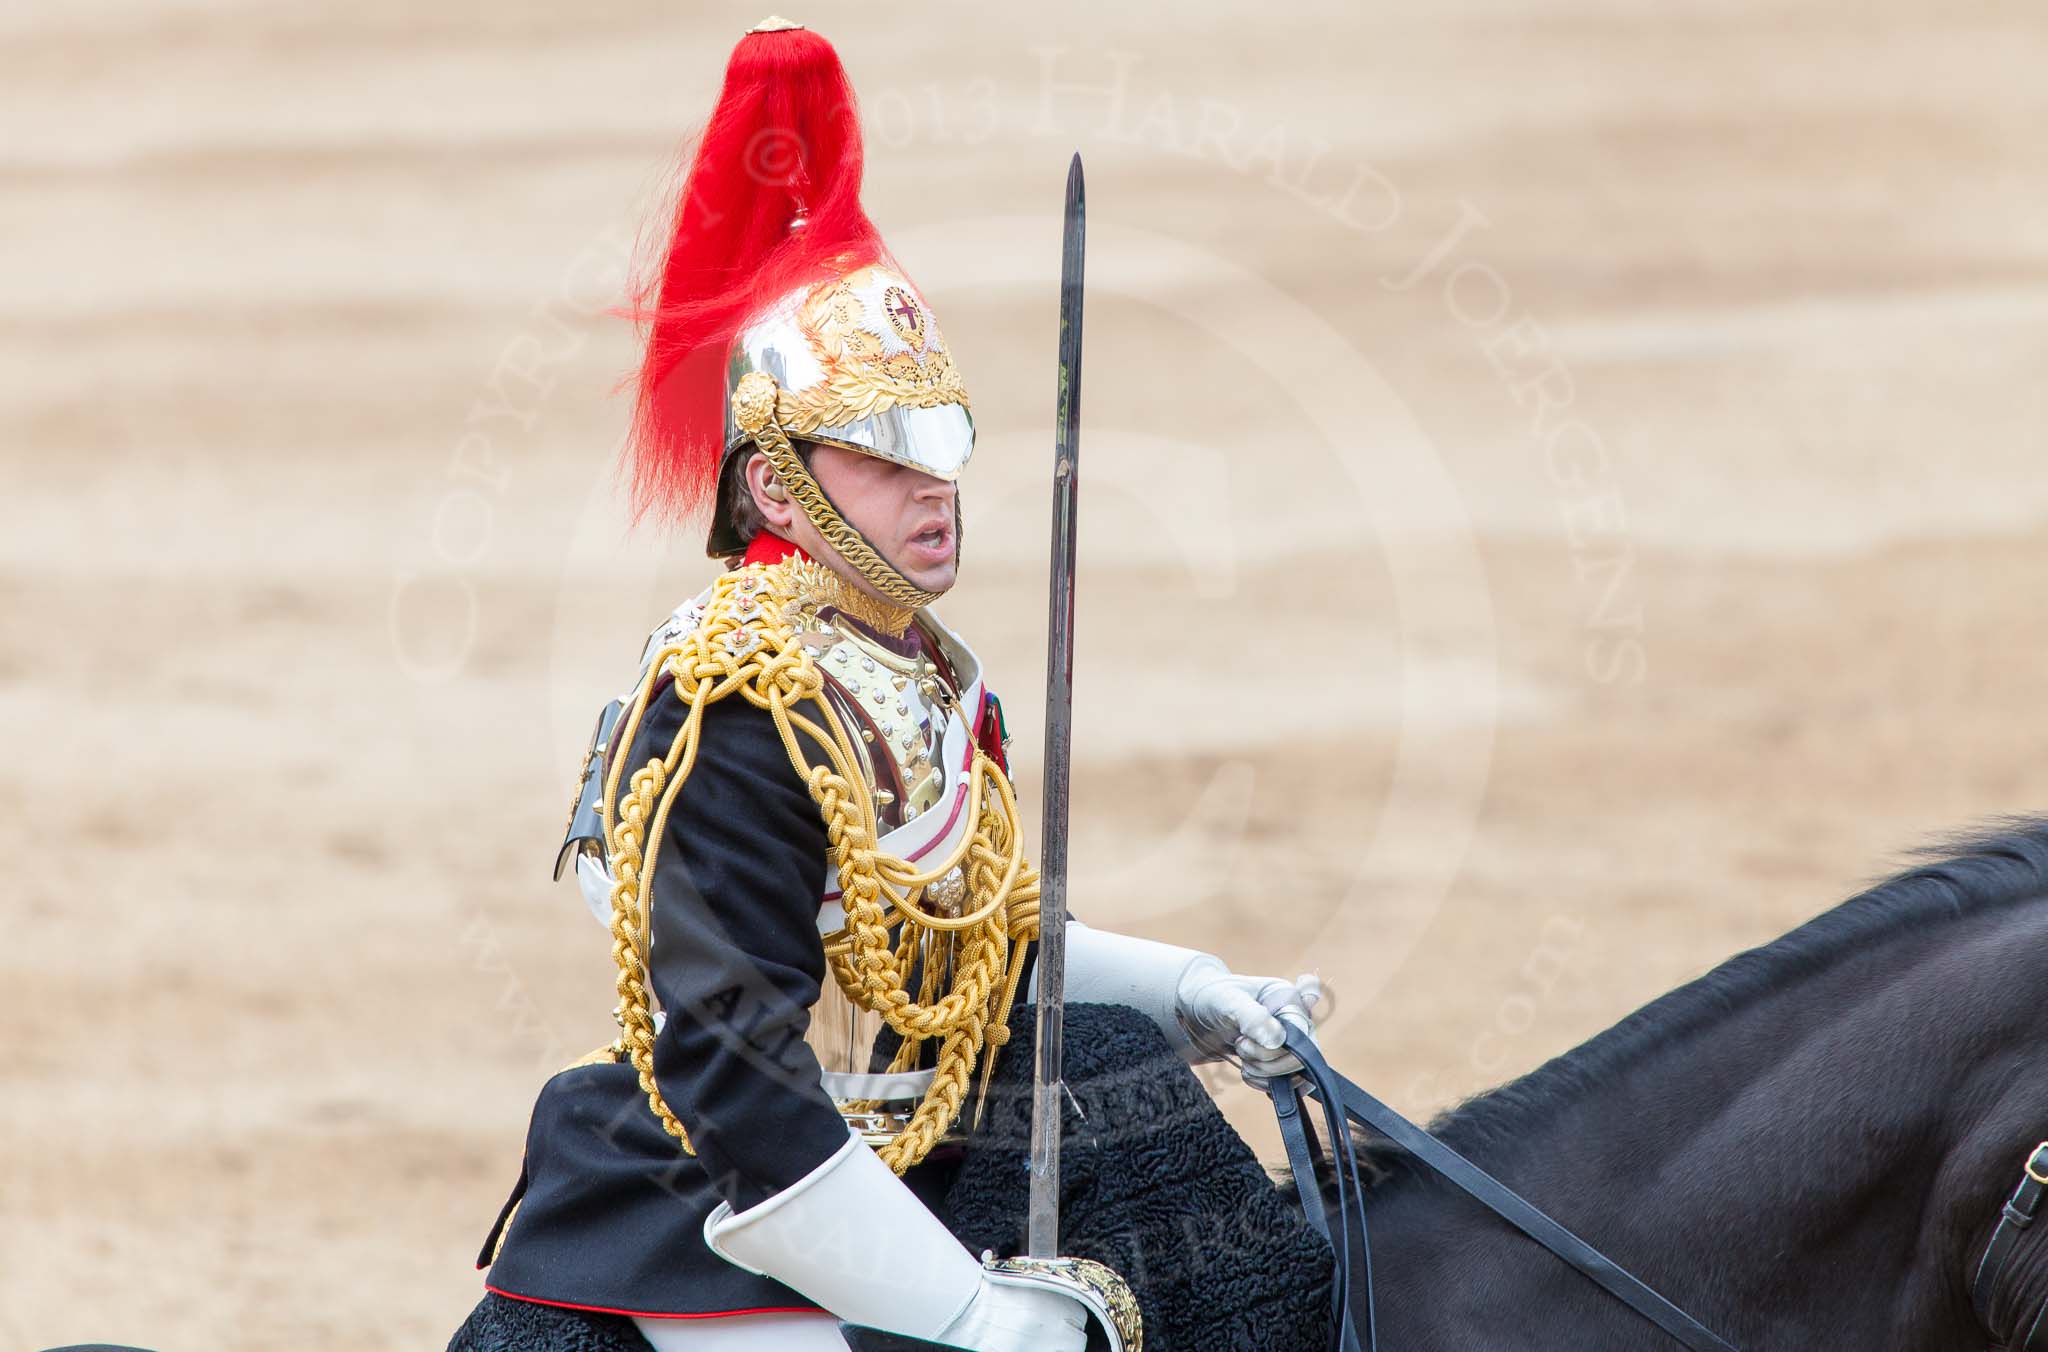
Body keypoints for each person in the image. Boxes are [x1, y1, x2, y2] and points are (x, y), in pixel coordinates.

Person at [452, 19, 1320, 1352]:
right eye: (883, 452)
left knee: (1150, 1121)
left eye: (942, 441)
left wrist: (1188, 989)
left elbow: (952, 949)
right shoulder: (739, 695)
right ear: (773, 481)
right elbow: (737, 1071)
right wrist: (975, 1319)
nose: (935, 486)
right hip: (726, 1205)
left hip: (920, 1138)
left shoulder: (916, 664)